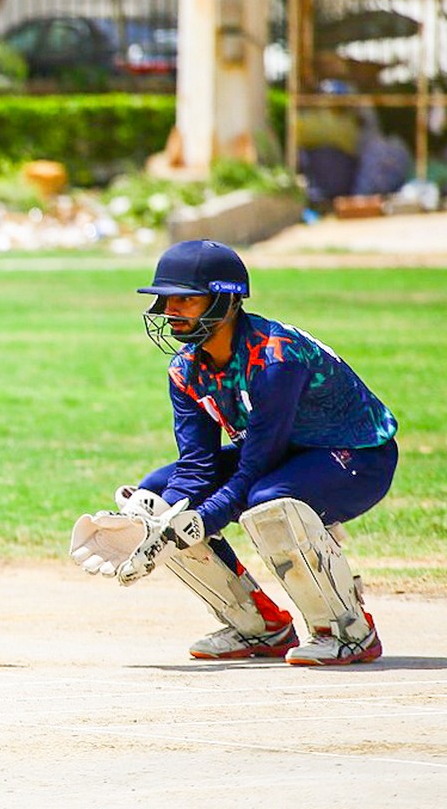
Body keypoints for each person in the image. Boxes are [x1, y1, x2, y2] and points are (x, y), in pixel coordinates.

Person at [93, 239, 398, 666]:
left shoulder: (276, 359)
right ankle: (259, 626)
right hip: (281, 457)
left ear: (227, 301)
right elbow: (196, 467)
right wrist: (155, 526)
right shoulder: (185, 369)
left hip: (357, 458)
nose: (170, 310)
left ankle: (348, 630)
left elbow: (256, 466)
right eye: (165, 299)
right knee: (156, 497)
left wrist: (198, 523)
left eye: (186, 299)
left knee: (269, 502)